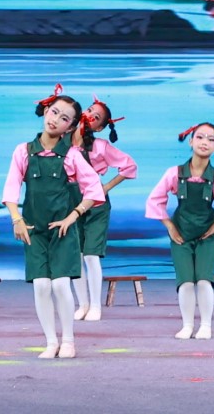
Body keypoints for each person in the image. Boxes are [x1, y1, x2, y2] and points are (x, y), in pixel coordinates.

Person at [2, 86, 105, 359]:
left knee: (60, 285)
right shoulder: (24, 151)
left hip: (63, 231)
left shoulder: (71, 155)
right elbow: (11, 189)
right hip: (33, 230)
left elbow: (94, 190)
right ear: (45, 110)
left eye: (64, 118)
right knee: (41, 285)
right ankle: (50, 342)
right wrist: (16, 219)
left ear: (70, 126)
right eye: (54, 112)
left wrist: (73, 216)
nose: (55, 119)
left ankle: (68, 341)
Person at [144, 122, 214, 340]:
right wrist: (170, 226)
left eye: (211, 139)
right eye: (200, 137)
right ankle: (187, 325)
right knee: (185, 280)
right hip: (180, 234)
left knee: (204, 279)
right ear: (191, 141)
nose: (204, 142)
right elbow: (154, 200)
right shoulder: (174, 173)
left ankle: (206, 325)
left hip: (207, 235)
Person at [70, 95, 138, 322]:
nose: (89, 115)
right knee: (75, 255)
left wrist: (106, 187)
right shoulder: (62, 141)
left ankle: (95, 306)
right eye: (89, 110)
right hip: (70, 202)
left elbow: (129, 165)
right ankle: (82, 304)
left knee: (91, 255)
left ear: (99, 127)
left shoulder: (100, 146)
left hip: (96, 204)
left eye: (96, 117)